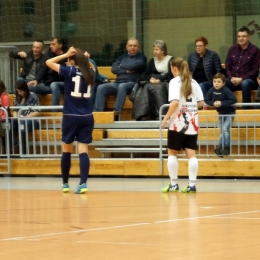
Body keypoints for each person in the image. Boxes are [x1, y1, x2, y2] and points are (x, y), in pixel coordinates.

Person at [46, 46, 95, 194]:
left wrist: (66, 54)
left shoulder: (69, 71)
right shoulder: (90, 72)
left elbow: (49, 62)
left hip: (70, 116)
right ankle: (83, 183)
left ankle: (65, 184)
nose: (67, 61)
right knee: (83, 151)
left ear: (72, 60)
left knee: (66, 150)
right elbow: (92, 67)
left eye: (68, 59)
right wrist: (86, 59)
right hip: (87, 117)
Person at [161, 58, 204, 193]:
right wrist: (189, 106)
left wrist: (165, 119)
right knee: (191, 155)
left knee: (172, 153)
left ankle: (174, 184)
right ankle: (192, 185)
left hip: (178, 122)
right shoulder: (194, 82)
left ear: (174, 68)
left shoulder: (175, 82)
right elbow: (202, 103)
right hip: (192, 122)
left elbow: (174, 103)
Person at [93, 37, 147, 113]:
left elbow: (133, 66)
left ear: (138, 47)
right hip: (117, 83)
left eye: (134, 46)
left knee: (122, 86)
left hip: (132, 83)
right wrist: (127, 70)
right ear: (126, 47)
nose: (132, 47)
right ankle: (97, 112)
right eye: (130, 45)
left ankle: (116, 112)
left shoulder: (142, 58)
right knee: (101, 87)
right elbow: (114, 69)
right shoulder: (122, 57)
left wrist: (121, 66)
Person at [132, 40, 173, 120]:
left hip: (166, 82)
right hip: (153, 82)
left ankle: (161, 114)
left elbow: (171, 73)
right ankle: (142, 114)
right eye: (154, 49)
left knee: (157, 87)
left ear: (163, 50)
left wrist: (159, 79)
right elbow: (146, 74)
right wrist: (150, 79)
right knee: (147, 86)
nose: (154, 51)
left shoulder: (170, 59)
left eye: (157, 50)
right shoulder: (152, 61)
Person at [225, 27, 260, 109]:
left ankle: (246, 109)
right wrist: (230, 78)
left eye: (243, 36)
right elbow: (228, 66)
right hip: (233, 79)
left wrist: (241, 79)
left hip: (249, 80)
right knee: (223, 82)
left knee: (245, 83)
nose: (241, 38)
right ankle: (227, 109)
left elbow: (255, 70)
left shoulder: (255, 50)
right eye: (239, 36)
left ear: (249, 37)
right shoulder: (232, 49)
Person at [205, 73, 237, 156]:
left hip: (230, 113)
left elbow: (233, 99)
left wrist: (222, 103)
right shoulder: (212, 90)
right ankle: (221, 147)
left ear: (223, 83)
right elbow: (206, 100)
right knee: (222, 130)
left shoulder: (226, 90)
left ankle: (226, 147)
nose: (216, 83)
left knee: (225, 129)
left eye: (219, 82)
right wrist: (213, 103)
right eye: (214, 81)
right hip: (221, 113)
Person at [11, 80, 40, 154]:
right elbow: (15, 110)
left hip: (32, 119)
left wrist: (25, 117)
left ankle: (24, 153)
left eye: (21, 91)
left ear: (25, 89)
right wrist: (16, 116)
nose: (19, 93)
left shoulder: (33, 96)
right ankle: (12, 146)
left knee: (22, 125)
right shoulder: (17, 97)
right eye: (18, 91)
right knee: (10, 123)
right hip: (20, 119)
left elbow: (37, 111)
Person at [45, 36, 68, 109]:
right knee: (31, 87)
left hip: (65, 83)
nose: (50, 46)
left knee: (54, 85)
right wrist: (36, 80)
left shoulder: (69, 55)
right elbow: (43, 70)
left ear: (60, 45)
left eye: (53, 44)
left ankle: (54, 112)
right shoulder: (48, 54)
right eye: (50, 44)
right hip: (49, 83)